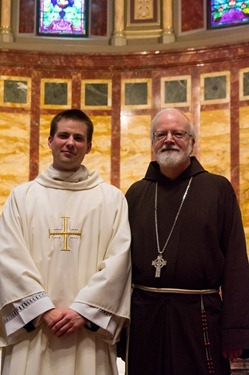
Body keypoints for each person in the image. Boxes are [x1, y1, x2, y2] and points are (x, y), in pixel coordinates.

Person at [0, 109, 131, 375]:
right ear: (50, 141)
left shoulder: (111, 199)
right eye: (63, 135)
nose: (70, 142)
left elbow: (119, 262)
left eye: (78, 138)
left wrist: (82, 312)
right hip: (34, 330)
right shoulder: (22, 197)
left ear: (89, 146)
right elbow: (7, 257)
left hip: (87, 334)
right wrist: (42, 310)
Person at [125, 107, 249, 375]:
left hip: (200, 316)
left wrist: (235, 330)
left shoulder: (218, 189)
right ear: (153, 143)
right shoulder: (136, 193)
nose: (169, 139)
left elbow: (236, 264)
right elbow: (119, 264)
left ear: (192, 142)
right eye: (161, 134)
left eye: (178, 133)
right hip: (145, 318)